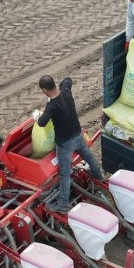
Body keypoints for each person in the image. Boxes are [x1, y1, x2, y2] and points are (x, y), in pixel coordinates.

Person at [33, 75, 104, 213]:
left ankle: (63, 204)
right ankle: (98, 176)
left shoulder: (52, 106)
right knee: (88, 155)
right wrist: (61, 86)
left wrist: (36, 117)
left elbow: (41, 123)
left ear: (44, 90)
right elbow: (68, 79)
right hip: (78, 135)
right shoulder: (66, 91)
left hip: (65, 144)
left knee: (64, 174)